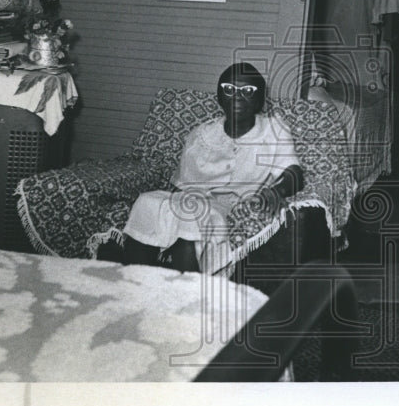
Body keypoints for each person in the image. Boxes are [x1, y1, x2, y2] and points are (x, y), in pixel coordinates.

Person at [99, 62, 304, 273]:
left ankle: (192, 296)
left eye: (247, 91)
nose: (237, 96)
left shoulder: (273, 130)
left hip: (226, 205)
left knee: (192, 219)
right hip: (191, 198)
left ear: (259, 98)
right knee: (147, 201)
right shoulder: (201, 134)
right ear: (219, 96)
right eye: (229, 89)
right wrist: (171, 213)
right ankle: (137, 282)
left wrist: (277, 190)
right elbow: (181, 185)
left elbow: (293, 172)